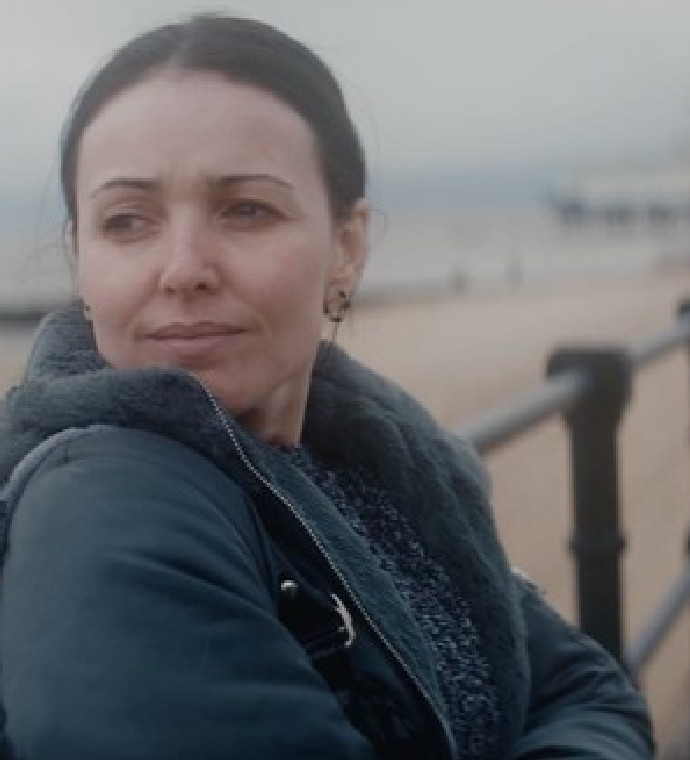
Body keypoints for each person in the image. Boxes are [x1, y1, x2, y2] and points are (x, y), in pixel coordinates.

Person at [0, 14, 654, 759]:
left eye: (246, 209)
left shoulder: (372, 462)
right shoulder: (106, 506)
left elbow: (586, 692)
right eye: (127, 220)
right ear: (79, 257)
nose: (182, 268)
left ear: (347, 248)